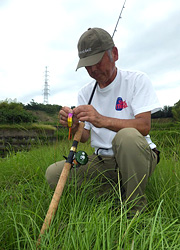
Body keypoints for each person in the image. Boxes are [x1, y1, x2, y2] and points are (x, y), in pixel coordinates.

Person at [45, 27, 161, 215]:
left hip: (138, 156)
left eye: (97, 62)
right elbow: (84, 137)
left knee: (128, 136)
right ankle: (115, 195)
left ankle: (134, 211)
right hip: (103, 161)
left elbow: (144, 126)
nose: (93, 70)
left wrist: (101, 119)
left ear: (114, 54)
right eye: (87, 66)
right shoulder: (85, 92)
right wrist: (73, 125)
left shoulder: (137, 80)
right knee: (53, 175)